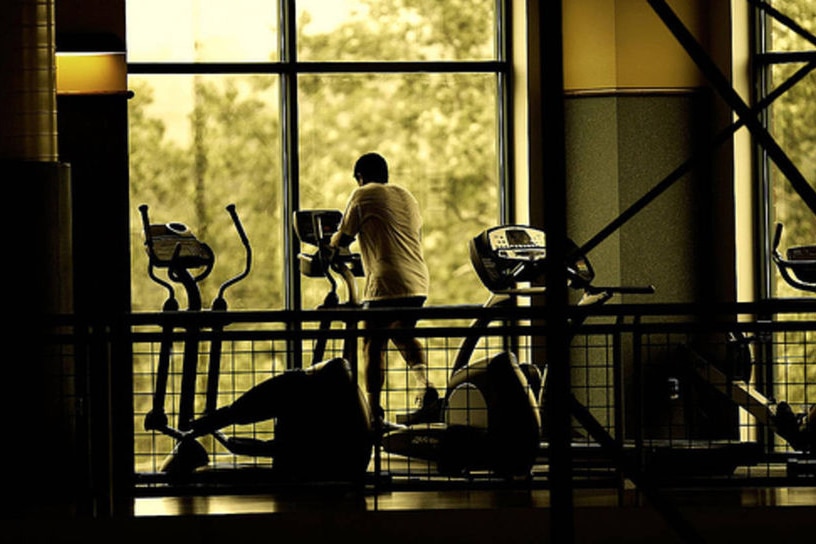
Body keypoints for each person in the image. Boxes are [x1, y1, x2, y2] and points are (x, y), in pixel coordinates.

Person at [330, 152, 438, 430]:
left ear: (360, 177)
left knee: (371, 343)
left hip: (386, 282)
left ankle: (374, 412)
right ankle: (425, 386)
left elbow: (342, 238)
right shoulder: (407, 197)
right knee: (402, 333)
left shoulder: (362, 194)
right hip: (417, 281)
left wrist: (329, 242)